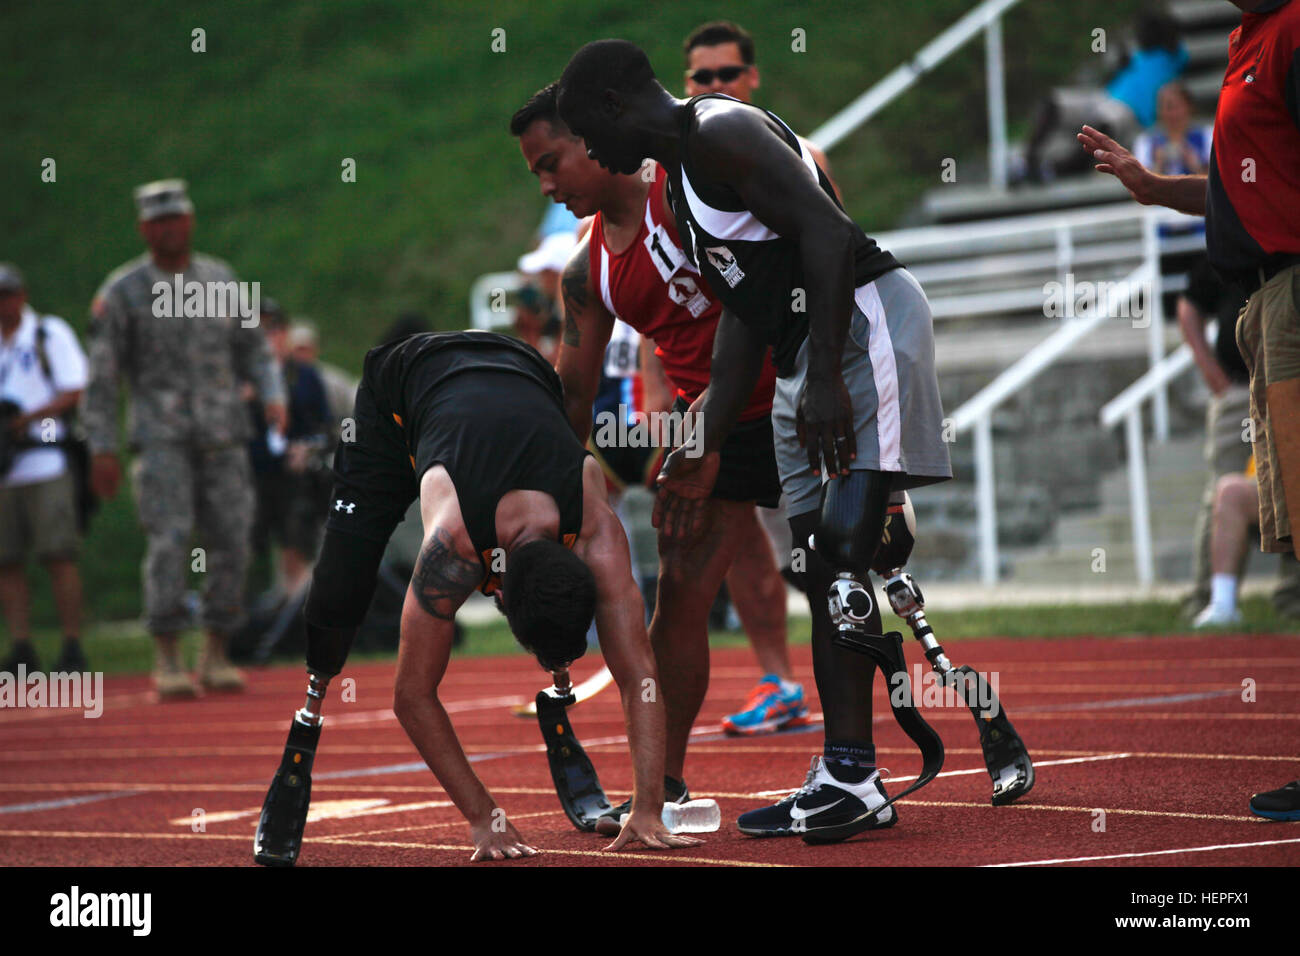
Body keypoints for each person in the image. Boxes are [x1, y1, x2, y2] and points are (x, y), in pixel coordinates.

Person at [557, 40, 952, 842]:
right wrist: (701, 434)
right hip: (799, 350)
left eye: (585, 136)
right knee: (816, 552)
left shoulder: (718, 133)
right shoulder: (677, 181)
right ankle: (849, 770)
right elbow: (744, 309)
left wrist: (832, 378)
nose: (591, 156)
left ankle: (852, 772)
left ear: (610, 105)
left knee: (842, 547)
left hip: (863, 322)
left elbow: (831, 233)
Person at [261, 329, 702, 860]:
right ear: (491, 589)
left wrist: (648, 806)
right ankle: (312, 701)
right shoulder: (453, 549)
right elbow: (412, 696)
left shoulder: (597, 529)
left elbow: (640, 675)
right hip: (403, 384)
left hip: (519, 363)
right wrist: (483, 815)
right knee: (341, 581)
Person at [512, 82, 802, 819]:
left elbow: (790, 257)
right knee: (681, 590)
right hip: (720, 429)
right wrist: (533, 506)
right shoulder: (586, 272)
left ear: (592, 141)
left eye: (553, 164)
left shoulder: (692, 185)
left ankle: (851, 766)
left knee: (839, 568)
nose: (547, 186)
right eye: (535, 173)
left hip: (799, 386)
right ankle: (663, 783)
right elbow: (570, 403)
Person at [1079, 0, 1300, 823]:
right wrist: (1155, 188)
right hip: (1270, 296)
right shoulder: (1254, 36)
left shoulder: (1294, 29)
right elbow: (1252, 190)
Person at [82, 180, 286, 698]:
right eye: (159, 220)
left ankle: (216, 651)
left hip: (223, 435)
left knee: (232, 541)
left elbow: (256, 349)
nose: (171, 227)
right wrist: (99, 445)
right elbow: (102, 379)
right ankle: (167, 656)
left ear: (191, 221)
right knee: (169, 542)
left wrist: (273, 393)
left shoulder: (219, 280)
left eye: (178, 217)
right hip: (161, 440)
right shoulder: (122, 292)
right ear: (145, 228)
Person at [1178, 260, 1300, 619]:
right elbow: (1190, 305)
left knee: (1292, 488)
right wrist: (1214, 377)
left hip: (1289, 388)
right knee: (1224, 490)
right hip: (1240, 389)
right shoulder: (1235, 233)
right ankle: (1209, 598)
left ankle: (1292, 597)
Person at [0, 264, 89, 676]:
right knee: (7, 560)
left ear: (22, 294)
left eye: (9, 294)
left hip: (45, 456)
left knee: (58, 554)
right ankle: (21, 646)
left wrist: (27, 418)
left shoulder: (47, 333)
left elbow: (74, 389)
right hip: (5, 468)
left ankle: (72, 644)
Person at [683, 20, 839, 200]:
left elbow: (836, 226)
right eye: (703, 77)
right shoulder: (664, 165)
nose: (716, 84)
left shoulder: (807, 156)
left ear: (753, 76)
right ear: (689, 83)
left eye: (729, 74)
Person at [247, 303, 332, 598]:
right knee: (238, 550)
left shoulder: (305, 376)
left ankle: (292, 613)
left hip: (292, 476)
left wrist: (308, 449)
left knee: (295, 541)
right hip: (247, 475)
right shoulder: (235, 379)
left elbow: (329, 427)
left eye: (272, 329)